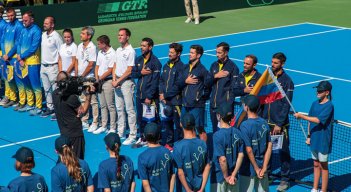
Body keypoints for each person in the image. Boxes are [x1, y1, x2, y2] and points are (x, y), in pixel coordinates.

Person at [260, 52, 294, 191]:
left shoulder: (287, 81)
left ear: (282, 64)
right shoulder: (269, 77)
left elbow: (286, 104)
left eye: (275, 63)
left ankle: (285, 179)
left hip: (279, 124)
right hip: (265, 121)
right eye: (272, 62)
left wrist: (279, 123)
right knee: (266, 149)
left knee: (283, 151)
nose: (273, 65)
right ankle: (267, 174)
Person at [294, 81, 334, 192]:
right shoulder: (314, 104)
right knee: (316, 164)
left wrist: (301, 116)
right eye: (317, 90)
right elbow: (310, 122)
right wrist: (309, 136)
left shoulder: (329, 106)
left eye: (320, 90)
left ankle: (323, 190)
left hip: (323, 141)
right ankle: (315, 188)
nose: (317, 92)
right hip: (314, 139)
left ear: (327, 92)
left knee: (323, 166)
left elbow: (317, 120)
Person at [52, 71, 96, 159]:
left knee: (66, 159)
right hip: (75, 134)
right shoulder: (71, 98)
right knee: (77, 160)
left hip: (64, 132)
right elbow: (83, 111)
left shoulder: (54, 94)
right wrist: (89, 95)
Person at [132, 37, 162, 147]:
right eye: (141, 45)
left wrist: (149, 96)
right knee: (140, 118)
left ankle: (156, 138)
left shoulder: (156, 63)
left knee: (154, 118)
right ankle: (143, 137)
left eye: (144, 46)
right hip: (139, 95)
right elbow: (133, 74)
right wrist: (141, 72)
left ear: (150, 47)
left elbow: (155, 82)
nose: (141, 47)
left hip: (150, 97)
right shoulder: (139, 59)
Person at [239, 95, 272, 192]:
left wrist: (256, 169)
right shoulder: (264, 122)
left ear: (247, 107)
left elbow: (249, 150)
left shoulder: (244, 125)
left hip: (248, 169)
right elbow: (269, 146)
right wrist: (264, 167)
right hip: (262, 167)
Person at [178, 44, 210, 142]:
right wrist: (185, 81)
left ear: (198, 55)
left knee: (199, 128)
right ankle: (190, 146)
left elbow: (208, 86)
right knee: (183, 125)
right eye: (190, 52)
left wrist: (199, 98)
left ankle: (203, 152)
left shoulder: (202, 70)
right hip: (185, 103)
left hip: (196, 105)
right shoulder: (185, 67)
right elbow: (178, 83)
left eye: (192, 53)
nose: (189, 54)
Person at [173, 113, 211, 192]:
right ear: (194, 125)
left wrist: (188, 189)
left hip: (185, 189)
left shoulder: (177, 147)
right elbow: (207, 167)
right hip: (200, 187)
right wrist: (201, 188)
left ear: (181, 124)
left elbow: (180, 173)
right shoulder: (203, 143)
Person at [112, 28, 137, 145]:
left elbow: (129, 70)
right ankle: (120, 132)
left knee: (130, 110)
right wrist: (114, 79)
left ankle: (132, 135)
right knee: (119, 109)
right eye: (119, 35)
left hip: (126, 83)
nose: (120, 37)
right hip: (117, 82)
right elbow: (115, 65)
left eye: (122, 35)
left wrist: (118, 81)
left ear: (127, 37)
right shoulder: (117, 50)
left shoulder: (131, 51)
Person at [211, 103, 244, 192]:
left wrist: (226, 176)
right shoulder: (238, 132)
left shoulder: (217, 136)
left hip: (221, 177)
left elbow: (223, 160)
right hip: (234, 177)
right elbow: (240, 155)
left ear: (219, 116)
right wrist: (233, 175)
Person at [207, 42, 239, 133]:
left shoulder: (233, 67)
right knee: (215, 130)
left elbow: (234, 89)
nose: (217, 55)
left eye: (219, 52)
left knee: (226, 131)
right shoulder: (214, 65)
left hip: (225, 107)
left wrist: (228, 105)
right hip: (213, 105)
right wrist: (215, 76)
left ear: (226, 53)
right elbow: (207, 83)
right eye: (216, 52)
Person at [159, 42, 185, 151]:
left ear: (178, 54)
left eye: (172, 52)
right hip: (165, 101)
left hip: (176, 102)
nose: (169, 54)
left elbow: (177, 86)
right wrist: (161, 93)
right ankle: (169, 143)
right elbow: (161, 81)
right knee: (167, 123)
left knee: (178, 125)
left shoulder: (182, 67)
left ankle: (179, 144)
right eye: (169, 52)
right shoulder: (166, 65)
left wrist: (165, 95)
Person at [16, 11, 42, 115]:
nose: (24, 22)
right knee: (26, 83)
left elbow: (33, 48)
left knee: (35, 84)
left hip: (33, 62)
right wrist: (19, 56)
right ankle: (30, 104)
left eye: (26, 20)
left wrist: (21, 56)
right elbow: (18, 44)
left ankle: (39, 106)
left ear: (32, 20)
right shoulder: (23, 30)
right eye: (23, 20)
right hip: (22, 62)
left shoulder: (36, 31)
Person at [138, 122, 175, 191]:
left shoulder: (142, 157)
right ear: (159, 136)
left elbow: (145, 184)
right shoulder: (167, 152)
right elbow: (173, 174)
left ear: (145, 137)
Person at [91, 35, 117, 134]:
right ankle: (104, 125)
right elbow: (97, 66)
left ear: (104, 44)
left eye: (99, 44)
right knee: (102, 105)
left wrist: (99, 79)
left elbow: (110, 70)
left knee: (110, 105)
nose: (97, 45)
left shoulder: (112, 53)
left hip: (108, 81)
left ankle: (113, 127)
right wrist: (97, 78)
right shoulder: (100, 53)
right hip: (100, 81)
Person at [75, 26, 98, 130]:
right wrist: (76, 76)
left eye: (83, 33)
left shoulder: (92, 48)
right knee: (83, 99)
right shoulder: (80, 46)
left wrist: (82, 76)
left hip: (89, 78)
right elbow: (76, 61)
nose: (80, 35)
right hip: (80, 78)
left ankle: (95, 122)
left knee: (92, 101)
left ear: (89, 36)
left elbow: (91, 64)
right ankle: (85, 120)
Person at [40, 16, 63, 118]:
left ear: (52, 25)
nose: (44, 25)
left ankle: (58, 109)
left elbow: (61, 52)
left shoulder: (56, 37)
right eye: (44, 23)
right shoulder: (43, 35)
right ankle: (50, 108)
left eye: (47, 23)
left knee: (55, 90)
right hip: (43, 66)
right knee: (46, 89)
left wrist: (60, 68)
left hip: (53, 67)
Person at [0, 7, 22, 109]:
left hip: (13, 57)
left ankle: (21, 100)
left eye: (12, 15)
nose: (10, 17)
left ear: (15, 15)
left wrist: (8, 55)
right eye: (8, 16)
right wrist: (4, 54)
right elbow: (2, 41)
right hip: (5, 57)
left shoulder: (19, 26)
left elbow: (17, 43)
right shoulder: (7, 25)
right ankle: (12, 98)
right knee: (8, 78)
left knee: (17, 79)